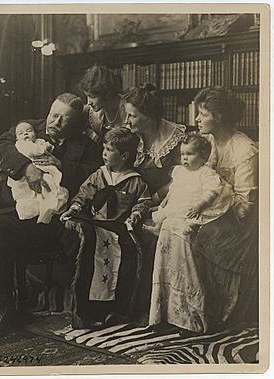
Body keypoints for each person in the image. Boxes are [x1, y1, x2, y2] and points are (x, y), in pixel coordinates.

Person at [0, 93, 103, 339]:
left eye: (65, 120)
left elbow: (96, 174)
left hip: (55, 216)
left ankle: (81, 307)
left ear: (75, 125)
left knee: (82, 235)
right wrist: (26, 167)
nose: (55, 122)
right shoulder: (29, 128)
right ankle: (7, 307)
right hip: (16, 213)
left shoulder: (86, 145)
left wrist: (60, 165)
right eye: (54, 115)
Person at [149, 87, 258, 336]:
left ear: (218, 116)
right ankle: (172, 311)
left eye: (202, 114)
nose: (197, 120)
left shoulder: (245, 150)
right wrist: (160, 201)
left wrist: (207, 213)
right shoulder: (205, 142)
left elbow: (246, 205)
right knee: (170, 226)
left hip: (237, 222)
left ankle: (197, 313)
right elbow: (189, 180)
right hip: (205, 208)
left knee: (182, 232)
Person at [60, 127, 152, 328]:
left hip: (119, 227)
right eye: (103, 148)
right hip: (96, 223)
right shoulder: (99, 175)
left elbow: (143, 201)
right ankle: (87, 313)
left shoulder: (135, 181)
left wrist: (136, 214)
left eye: (109, 150)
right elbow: (83, 194)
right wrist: (74, 208)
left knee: (127, 257)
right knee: (89, 251)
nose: (104, 154)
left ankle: (118, 311)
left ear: (125, 155)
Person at [121, 83, 186, 324]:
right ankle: (122, 306)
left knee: (146, 235)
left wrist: (154, 201)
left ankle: (149, 309)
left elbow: (181, 179)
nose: (127, 121)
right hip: (138, 200)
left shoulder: (177, 138)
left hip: (168, 203)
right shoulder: (131, 138)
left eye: (133, 116)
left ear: (148, 116)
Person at [146, 134, 234, 238]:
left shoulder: (206, 173)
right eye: (182, 154)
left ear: (203, 157)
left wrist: (200, 205)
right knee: (166, 213)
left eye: (190, 154)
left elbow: (211, 191)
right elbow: (173, 190)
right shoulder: (179, 171)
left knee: (192, 215)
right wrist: (163, 204)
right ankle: (157, 228)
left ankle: (188, 225)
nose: (185, 158)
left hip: (193, 202)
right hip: (178, 202)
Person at [7, 121, 69, 224]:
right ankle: (29, 212)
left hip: (43, 169)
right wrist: (44, 149)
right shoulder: (21, 144)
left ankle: (47, 205)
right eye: (21, 133)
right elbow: (33, 150)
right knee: (27, 194)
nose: (25, 134)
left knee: (49, 187)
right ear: (17, 138)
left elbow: (49, 148)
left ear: (35, 134)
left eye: (29, 131)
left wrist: (49, 147)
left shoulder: (39, 141)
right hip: (24, 175)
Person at [80, 65, 127, 145]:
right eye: (87, 96)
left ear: (107, 93)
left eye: (92, 97)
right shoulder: (92, 112)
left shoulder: (128, 109)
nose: (89, 102)